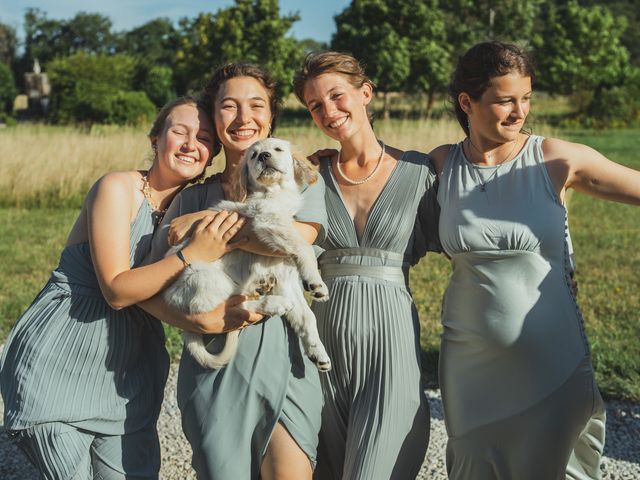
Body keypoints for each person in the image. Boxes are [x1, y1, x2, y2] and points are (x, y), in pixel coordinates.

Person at [0, 96, 248, 479]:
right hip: (63, 353)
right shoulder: (116, 188)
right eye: (178, 131)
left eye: (203, 138)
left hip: (129, 369)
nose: (189, 144)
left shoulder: (197, 207)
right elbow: (116, 290)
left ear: (212, 154)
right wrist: (190, 256)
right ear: (155, 139)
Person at [428, 41, 640, 480]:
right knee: (472, 465)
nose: (519, 111)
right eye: (505, 100)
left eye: (525, 98)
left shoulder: (556, 160)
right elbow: (367, 181)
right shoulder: (441, 165)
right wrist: (322, 165)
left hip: (550, 356)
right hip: (469, 361)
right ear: (467, 102)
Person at [143, 63, 328, 480]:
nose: (244, 118)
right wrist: (194, 318)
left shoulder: (305, 185)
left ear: (271, 116)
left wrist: (205, 226)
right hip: (216, 359)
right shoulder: (191, 198)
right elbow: (148, 283)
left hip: (286, 352)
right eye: (229, 106)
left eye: (256, 105)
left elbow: (285, 237)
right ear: (215, 117)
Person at [292, 51, 441, 479]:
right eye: (315, 105)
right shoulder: (311, 177)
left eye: (337, 96)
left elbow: (466, 239)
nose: (329, 111)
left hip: (390, 345)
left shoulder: (419, 171)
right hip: (320, 345)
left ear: (366, 93)